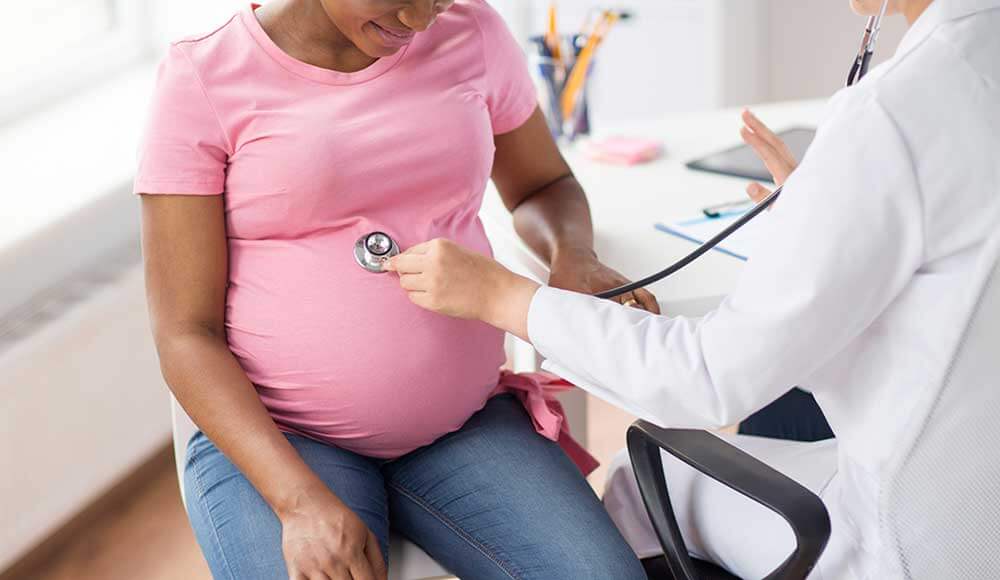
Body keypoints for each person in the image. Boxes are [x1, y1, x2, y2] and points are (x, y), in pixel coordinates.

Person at [383, 0, 1000, 577]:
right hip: (975, 500)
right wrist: (832, 216)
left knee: (639, 476)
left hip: (912, 546)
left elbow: (706, 380)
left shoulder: (892, 115)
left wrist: (503, 297)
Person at [134, 1, 655, 578]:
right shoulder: (203, 75)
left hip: (465, 422)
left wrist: (572, 258)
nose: (420, 21)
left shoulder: (472, 30)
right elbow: (185, 332)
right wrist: (298, 502)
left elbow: (542, 184)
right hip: (283, 439)